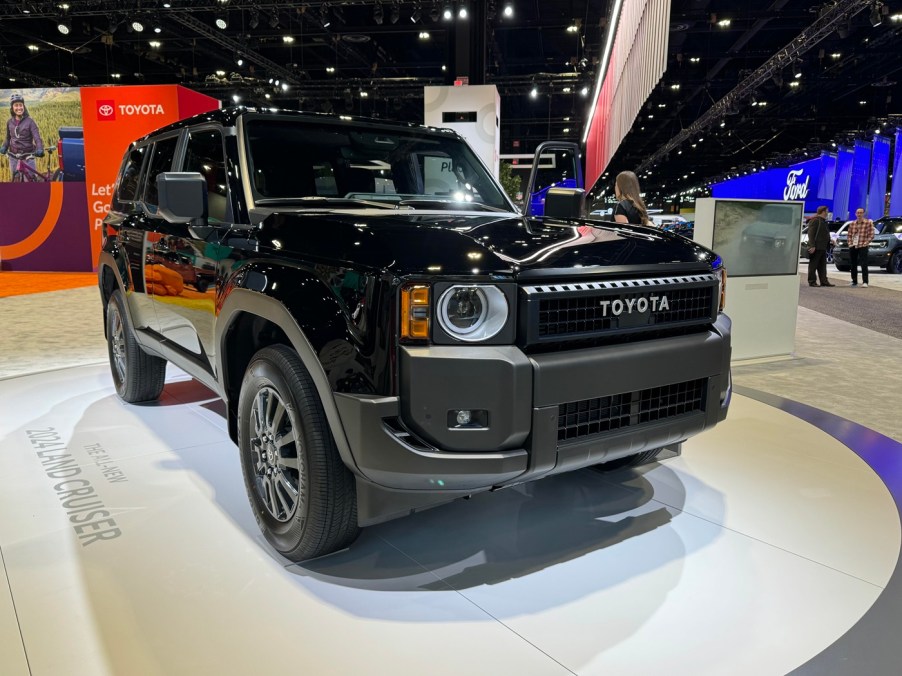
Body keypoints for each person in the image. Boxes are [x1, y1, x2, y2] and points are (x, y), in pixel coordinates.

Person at [0, 93, 44, 179]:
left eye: (21, 105)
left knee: (30, 180)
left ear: (24, 106)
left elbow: (37, 138)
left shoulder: (30, 122)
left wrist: (39, 148)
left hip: (28, 156)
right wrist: (4, 146)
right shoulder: (9, 122)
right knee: (15, 178)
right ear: (12, 108)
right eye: (16, 105)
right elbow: (8, 138)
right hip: (13, 156)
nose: (19, 108)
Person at [806, 206, 835, 287]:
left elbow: (823, 234)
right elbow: (811, 234)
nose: (828, 213)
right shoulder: (815, 220)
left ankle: (824, 281)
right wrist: (812, 245)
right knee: (813, 265)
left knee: (822, 266)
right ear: (823, 212)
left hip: (822, 247)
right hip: (816, 247)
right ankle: (812, 281)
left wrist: (830, 241)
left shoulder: (823, 221)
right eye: (827, 211)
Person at [847, 207, 874, 287]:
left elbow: (871, 235)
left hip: (863, 245)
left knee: (864, 264)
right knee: (853, 264)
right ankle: (854, 281)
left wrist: (866, 243)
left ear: (864, 214)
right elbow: (849, 235)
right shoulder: (852, 224)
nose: (859, 214)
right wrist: (850, 243)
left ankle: (865, 282)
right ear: (855, 214)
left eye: (861, 213)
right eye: (858, 213)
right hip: (853, 245)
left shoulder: (868, 223)